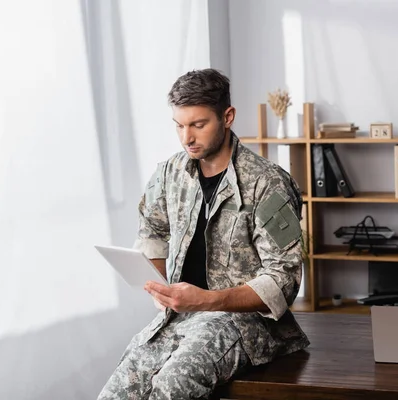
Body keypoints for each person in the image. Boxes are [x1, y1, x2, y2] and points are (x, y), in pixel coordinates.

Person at [98, 69, 309, 400]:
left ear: (227, 117)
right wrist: (160, 287)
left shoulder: (269, 184)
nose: (187, 137)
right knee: (116, 392)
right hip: (182, 316)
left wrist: (208, 300)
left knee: (171, 387)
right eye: (179, 125)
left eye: (198, 124)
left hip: (248, 323)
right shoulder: (169, 172)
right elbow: (152, 231)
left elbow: (284, 278)